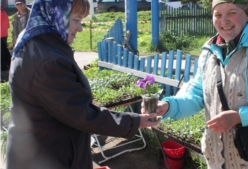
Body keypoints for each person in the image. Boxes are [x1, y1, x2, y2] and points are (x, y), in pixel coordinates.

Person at [144, 0, 248, 169]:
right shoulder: (209, 52)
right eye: (218, 15)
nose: (224, 21)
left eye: (232, 13)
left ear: (247, 14)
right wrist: (168, 106)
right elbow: (197, 94)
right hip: (217, 161)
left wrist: (240, 117)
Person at [7, 0, 159, 168]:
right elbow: (83, 114)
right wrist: (135, 121)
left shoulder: (34, 40)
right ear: (56, 14)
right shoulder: (48, 62)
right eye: (76, 20)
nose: (79, 28)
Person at [1, 3, 11, 82]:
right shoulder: (4, 13)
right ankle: (10, 62)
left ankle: (3, 67)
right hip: (5, 34)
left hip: (0, 35)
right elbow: (8, 25)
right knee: (5, 50)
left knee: (1, 52)